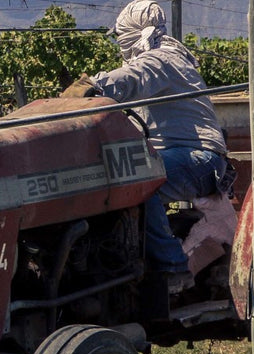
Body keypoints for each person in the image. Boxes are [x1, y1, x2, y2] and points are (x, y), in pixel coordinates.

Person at [60, 0, 235, 294]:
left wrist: (91, 87)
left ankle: (173, 267)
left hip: (202, 160)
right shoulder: (162, 61)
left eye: (121, 38)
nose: (120, 45)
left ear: (133, 35)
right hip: (177, 156)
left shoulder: (163, 60)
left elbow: (130, 78)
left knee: (141, 180)